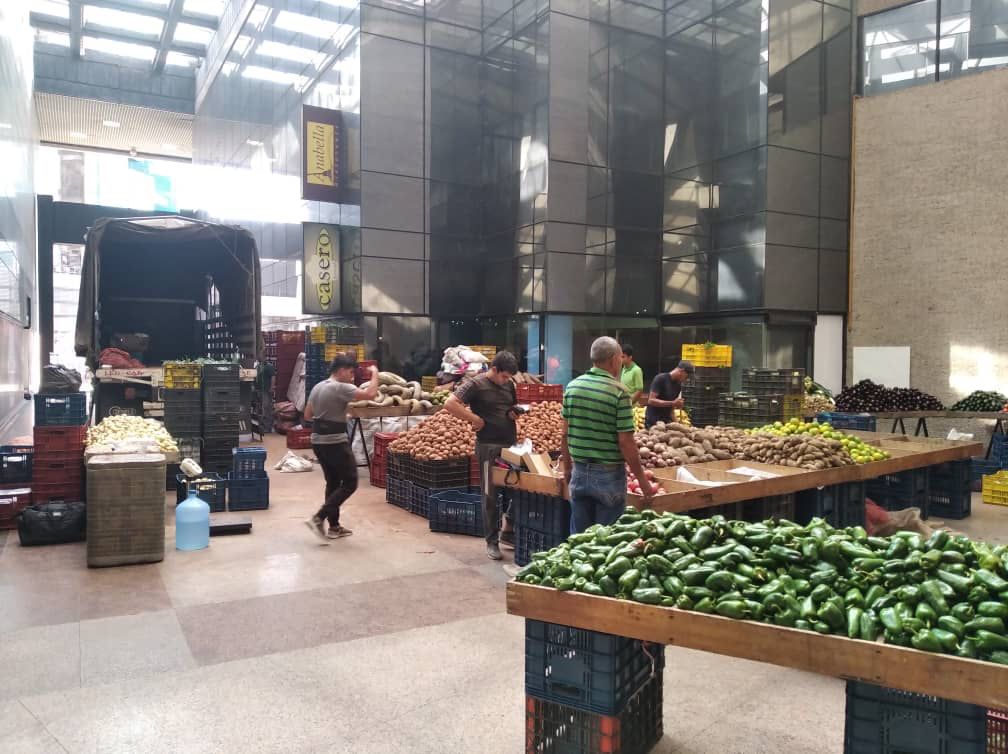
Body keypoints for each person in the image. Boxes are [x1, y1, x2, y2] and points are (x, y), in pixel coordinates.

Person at [560, 337, 654, 533]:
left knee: (579, 541)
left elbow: (564, 434)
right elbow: (626, 443)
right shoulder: (619, 392)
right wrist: (643, 480)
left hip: (579, 472)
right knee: (605, 543)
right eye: (620, 358)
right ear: (613, 360)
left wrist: (567, 469)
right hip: (608, 477)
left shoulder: (572, 387)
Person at [445, 351, 521, 561]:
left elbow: (509, 408)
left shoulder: (509, 385)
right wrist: (474, 419)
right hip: (488, 447)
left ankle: (509, 532)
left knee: (516, 491)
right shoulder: (475, 384)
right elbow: (450, 403)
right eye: (504, 376)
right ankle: (491, 541)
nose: (506, 381)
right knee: (490, 495)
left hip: (510, 446)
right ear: (494, 370)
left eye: (509, 377)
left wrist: (513, 413)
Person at [303, 355, 379, 542]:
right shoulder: (341, 387)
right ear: (341, 370)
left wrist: (337, 414)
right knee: (351, 482)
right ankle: (318, 518)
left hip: (318, 440)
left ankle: (334, 527)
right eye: (351, 372)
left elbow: (307, 415)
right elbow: (371, 395)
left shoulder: (318, 386)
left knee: (333, 482)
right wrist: (375, 374)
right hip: (334, 441)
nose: (352, 377)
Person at [645, 360, 694, 428]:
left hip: (667, 424)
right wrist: (673, 403)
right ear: (682, 371)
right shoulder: (660, 379)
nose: (686, 379)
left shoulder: (678, 385)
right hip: (653, 423)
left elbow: (671, 410)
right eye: (687, 377)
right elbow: (651, 400)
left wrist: (678, 425)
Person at [255, 360, 276, 433]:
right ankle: (262, 426)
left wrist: (272, 387)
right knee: (261, 408)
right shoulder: (258, 366)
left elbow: (273, 377)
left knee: (266, 408)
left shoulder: (269, 366)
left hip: (266, 390)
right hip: (260, 390)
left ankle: (268, 427)